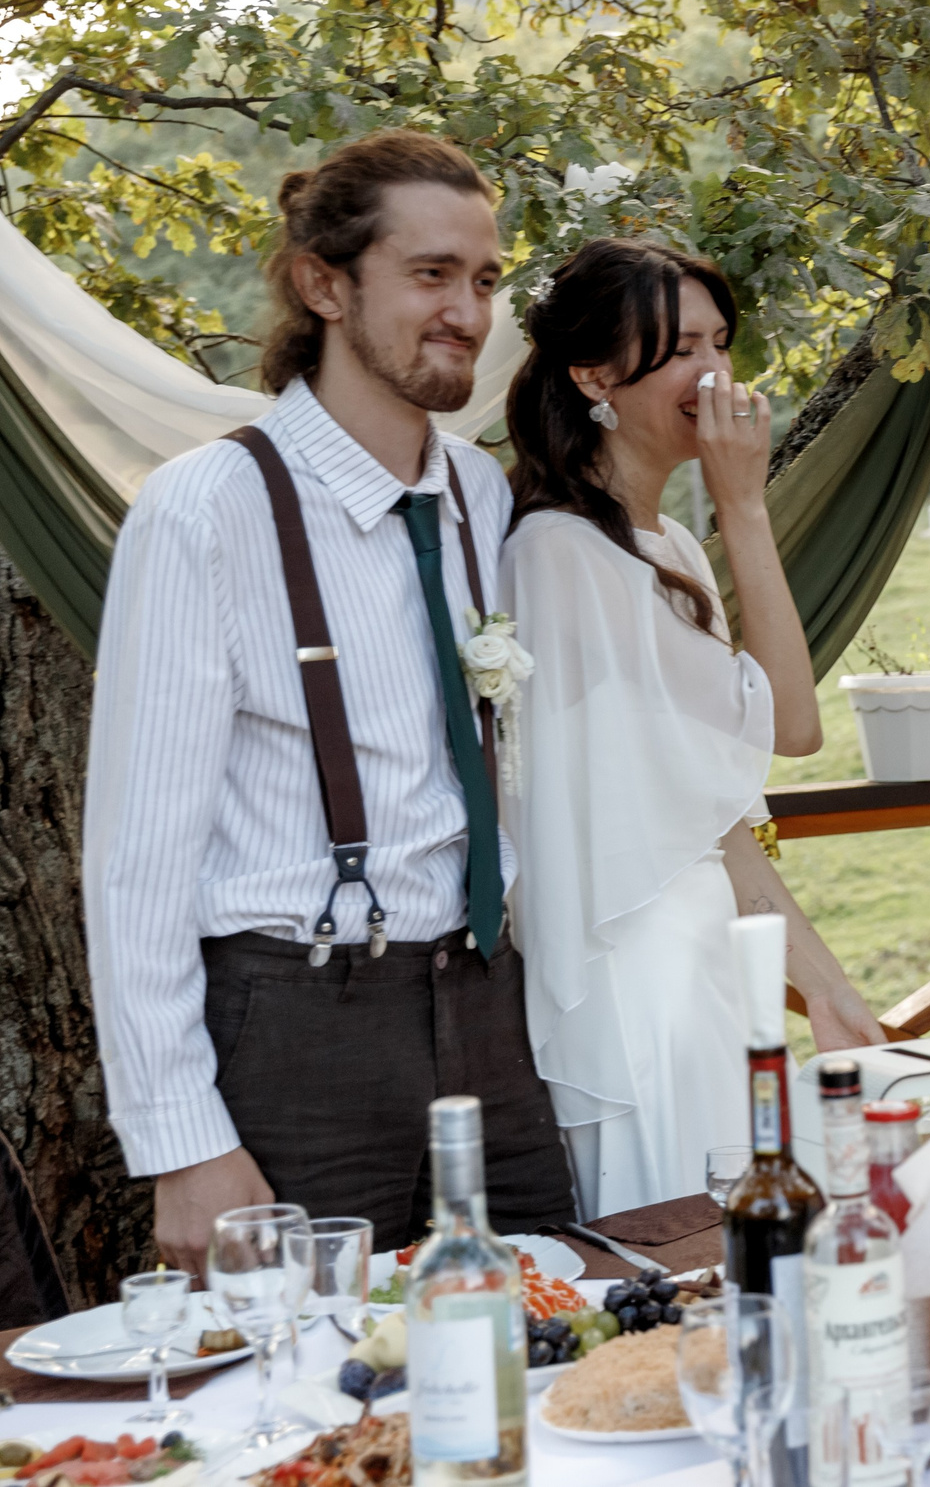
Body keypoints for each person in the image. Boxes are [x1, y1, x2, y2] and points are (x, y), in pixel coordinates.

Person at [85, 129, 577, 1270]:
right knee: (304, 1398)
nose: (467, 310)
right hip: (300, 1029)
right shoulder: (205, 511)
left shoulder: (477, 496)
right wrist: (181, 1141)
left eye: (485, 279)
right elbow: (135, 863)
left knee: (548, 1347)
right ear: (324, 285)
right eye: (430, 273)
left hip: (487, 1013)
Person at [500, 237, 886, 1218]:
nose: (712, 373)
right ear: (594, 374)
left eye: (720, 342)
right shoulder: (559, 557)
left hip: (709, 969)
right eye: (679, 349)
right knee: (682, 1260)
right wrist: (743, 504)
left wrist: (827, 991)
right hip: (637, 994)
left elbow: (715, 823)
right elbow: (794, 725)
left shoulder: (667, 546)